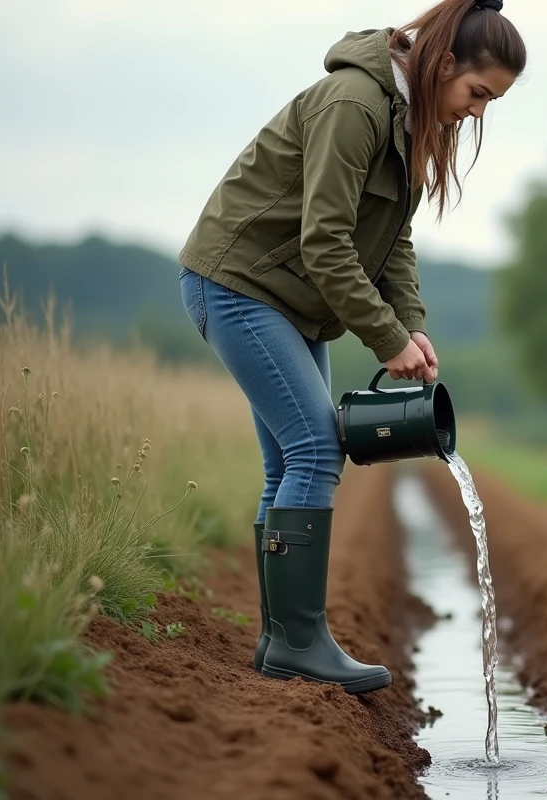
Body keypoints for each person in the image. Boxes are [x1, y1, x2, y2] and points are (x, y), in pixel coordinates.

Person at [176, 0, 526, 695]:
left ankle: (282, 641)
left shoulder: (410, 119)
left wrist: (411, 324)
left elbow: (393, 238)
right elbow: (326, 242)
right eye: (478, 92)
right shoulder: (355, 104)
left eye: (492, 101)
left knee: (289, 461)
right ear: (444, 63)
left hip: (291, 300)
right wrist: (386, 339)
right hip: (241, 283)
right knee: (315, 447)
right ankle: (299, 641)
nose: (478, 111)